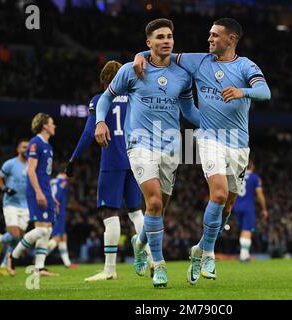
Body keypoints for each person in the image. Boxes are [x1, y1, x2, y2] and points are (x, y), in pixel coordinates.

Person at [133, 18, 271, 285]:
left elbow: (264, 92)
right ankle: (208, 253)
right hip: (209, 140)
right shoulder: (198, 61)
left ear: (231, 39)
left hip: (238, 143)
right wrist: (139, 56)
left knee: (227, 206)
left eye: (215, 36)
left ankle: (198, 249)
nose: (209, 39)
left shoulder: (246, 66)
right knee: (218, 194)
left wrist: (242, 92)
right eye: (209, 35)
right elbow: (160, 53)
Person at [95, 18, 200, 288]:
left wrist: (211, 122)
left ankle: (139, 242)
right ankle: (160, 264)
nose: (166, 41)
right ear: (149, 43)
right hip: (140, 143)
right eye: (160, 37)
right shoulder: (132, 70)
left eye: (169, 36)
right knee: (152, 203)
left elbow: (188, 111)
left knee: (159, 209)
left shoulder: (182, 75)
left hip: (171, 145)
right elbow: (106, 97)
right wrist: (100, 121)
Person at [65, 61, 153, 281]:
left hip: (112, 163)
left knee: (109, 213)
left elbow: (88, 133)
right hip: (136, 159)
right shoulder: (136, 99)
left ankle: (110, 270)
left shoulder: (99, 100)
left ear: (105, 80)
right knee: (136, 212)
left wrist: (74, 159)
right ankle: (152, 258)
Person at [6, 113, 59, 277]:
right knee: (42, 231)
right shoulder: (35, 143)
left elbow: (45, 174)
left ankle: (39, 268)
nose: (54, 126)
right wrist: (38, 192)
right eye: (52, 123)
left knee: (48, 229)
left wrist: (51, 195)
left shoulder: (48, 146)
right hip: (37, 191)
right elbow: (30, 170)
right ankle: (12, 256)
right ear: (45, 126)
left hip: (46, 191)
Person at [0, 139, 30, 276]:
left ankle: (3, 265)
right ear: (18, 149)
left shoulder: (32, 165)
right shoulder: (10, 164)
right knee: (15, 234)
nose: (27, 149)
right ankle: (0, 239)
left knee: (17, 238)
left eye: (29, 147)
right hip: (11, 204)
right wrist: (5, 189)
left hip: (26, 205)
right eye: (24, 147)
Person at [230, 159, 268, 261]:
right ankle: (244, 255)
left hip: (237, 206)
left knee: (243, 229)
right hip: (248, 206)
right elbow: (260, 194)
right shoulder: (255, 178)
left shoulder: (237, 176)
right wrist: (264, 209)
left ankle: (244, 254)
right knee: (247, 229)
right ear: (253, 167)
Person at [47, 165, 79, 269]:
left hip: (53, 211)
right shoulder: (63, 182)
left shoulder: (52, 181)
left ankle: (67, 263)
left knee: (63, 236)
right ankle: (38, 259)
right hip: (57, 212)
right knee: (56, 238)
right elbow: (56, 197)